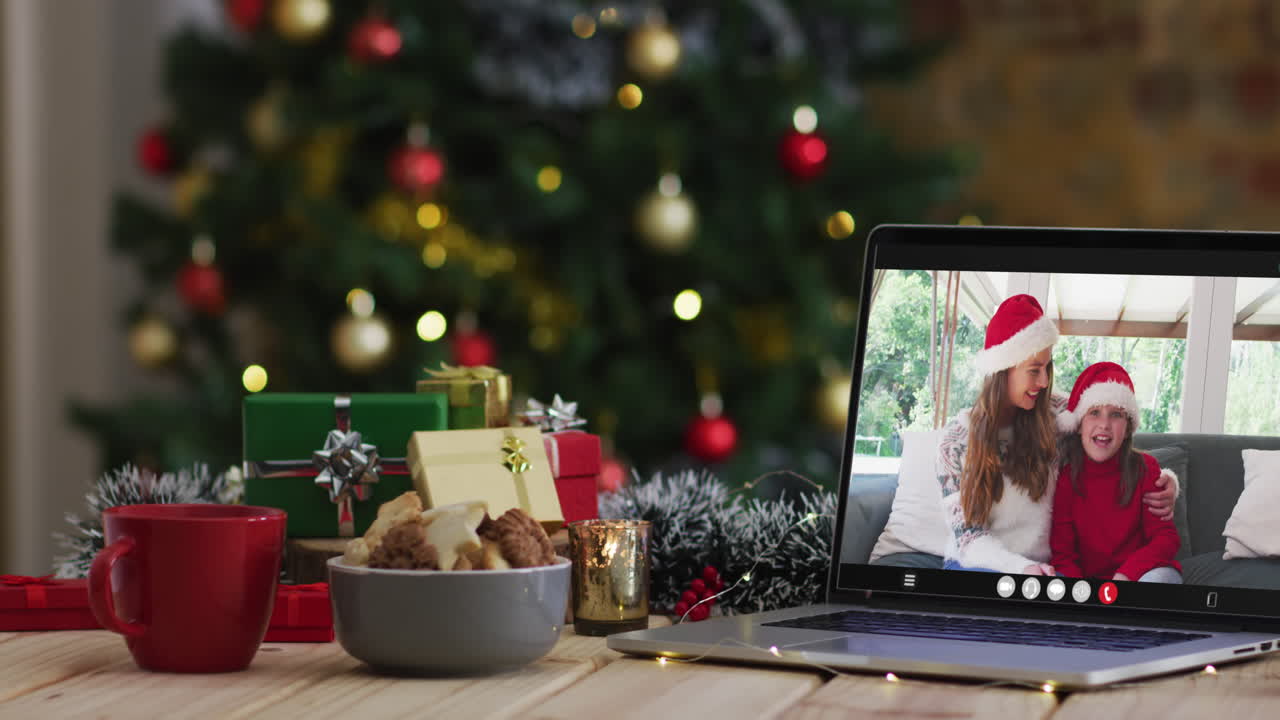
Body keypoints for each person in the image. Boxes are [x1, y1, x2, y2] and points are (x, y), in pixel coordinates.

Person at [937, 294, 1177, 575]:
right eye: (1034, 370)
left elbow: (1113, 439)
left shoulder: (1057, 415)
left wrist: (1165, 481)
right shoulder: (955, 442)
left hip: (1045, 569)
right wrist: (1022, 567)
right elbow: (967, 540)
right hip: (979, 564)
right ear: (1003, 369)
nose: (1044, 381)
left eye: (1047, 367)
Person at [1049, 362, 1182, 583]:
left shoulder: (1145, 468)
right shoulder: (1066, 478)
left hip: (1140, 575)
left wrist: (1125, 575)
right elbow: (1063, 556)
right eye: (1094, 412)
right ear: (1079, 425)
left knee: (1160, 580)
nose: (1104, 424)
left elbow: (1166, 539)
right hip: (1088, 583)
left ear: (1128, 427)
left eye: (1116, 415)